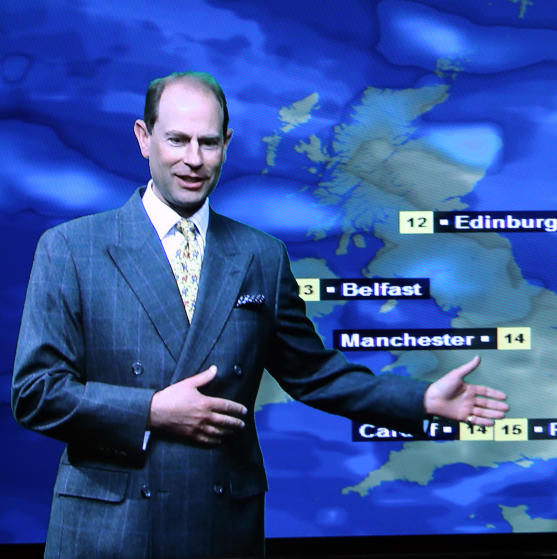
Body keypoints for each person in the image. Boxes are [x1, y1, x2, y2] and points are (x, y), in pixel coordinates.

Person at [11, 71, 509, 558]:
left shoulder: (261, 256)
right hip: (108, 529)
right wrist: (151, 411)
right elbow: (37, 394)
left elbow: (314, 374)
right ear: (144, 139)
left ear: (227, 143)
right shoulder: (71, 249)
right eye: (177, 140)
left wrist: (419, 398)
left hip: (220, 525)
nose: (193, 160)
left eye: (208, 143)